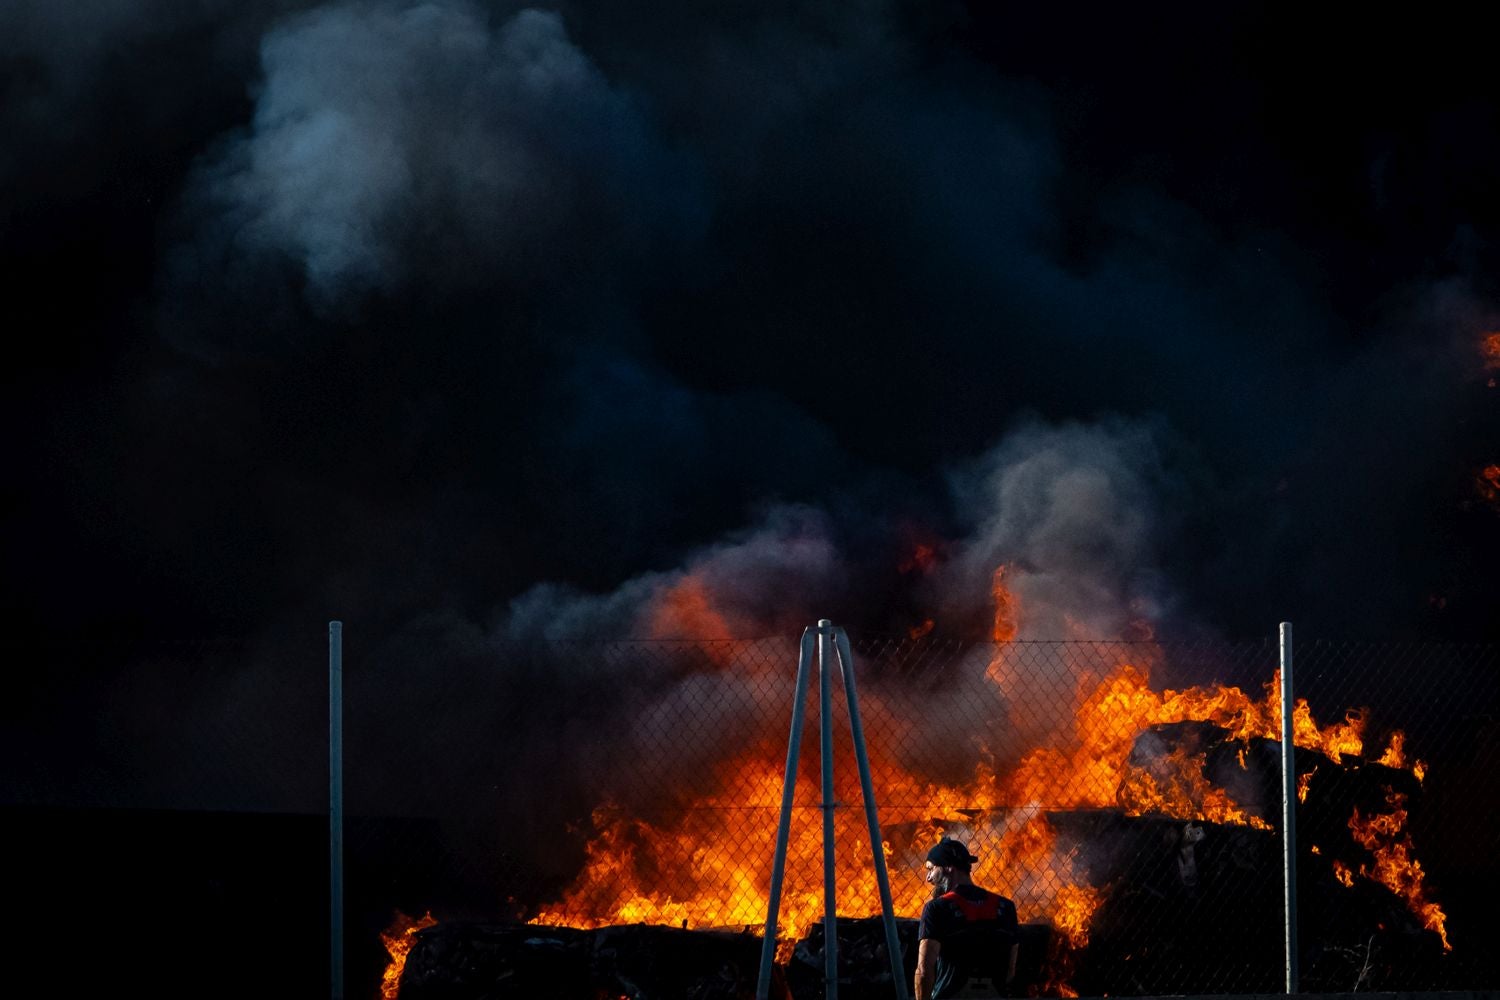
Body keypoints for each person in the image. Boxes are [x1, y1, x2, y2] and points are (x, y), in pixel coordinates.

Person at [915, 837, 1020, 1000]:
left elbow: (923, 971)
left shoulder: (936, 908)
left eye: (931, 869)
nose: (928, 878)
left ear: (949, 868)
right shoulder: (1005, 907)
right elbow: (1011, 971)